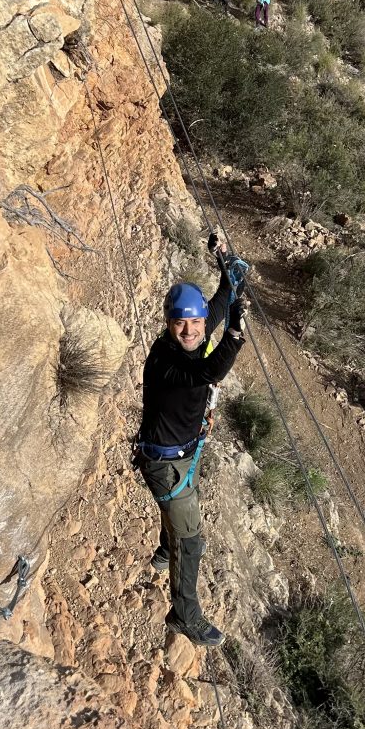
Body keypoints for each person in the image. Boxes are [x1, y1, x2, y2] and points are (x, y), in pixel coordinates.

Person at [134, 240, 246, 648]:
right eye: (180, 323)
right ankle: (185, 615)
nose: (190, 329)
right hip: (165, 465)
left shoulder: (197, 331)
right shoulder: (167, 362)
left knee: (182, 514)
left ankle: (166, 548)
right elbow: (214, 369)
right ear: (167, 324)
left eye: (195, 322)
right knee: (193, 541)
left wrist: (229, 279)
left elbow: (217, 304)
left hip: (182, 453)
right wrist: (236, 329)